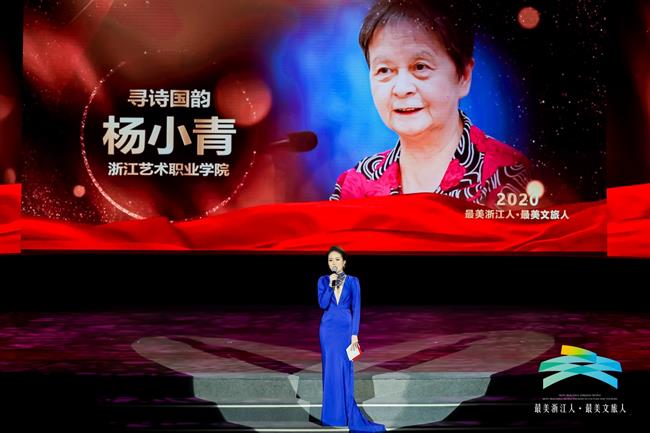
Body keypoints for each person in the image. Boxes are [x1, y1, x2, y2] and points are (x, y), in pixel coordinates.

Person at [329, 0, 531, 208]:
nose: (401, 89)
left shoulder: (506, 174)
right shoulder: (357, 184)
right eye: (384, 70)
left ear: (464, 76)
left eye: (420, 67)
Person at [317, 246, 386, 432]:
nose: (333, 263)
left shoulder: (353, 281)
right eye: (330, 260)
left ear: (344, 262)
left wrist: (355, 334)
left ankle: (346, 413)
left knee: (345, 369)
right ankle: (331, 416)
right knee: (330, 370)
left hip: (346, 330)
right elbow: (322, 304)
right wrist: (330, 285)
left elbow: (357, 308)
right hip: (328, 329)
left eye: (337, 259)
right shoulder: (323, 280)